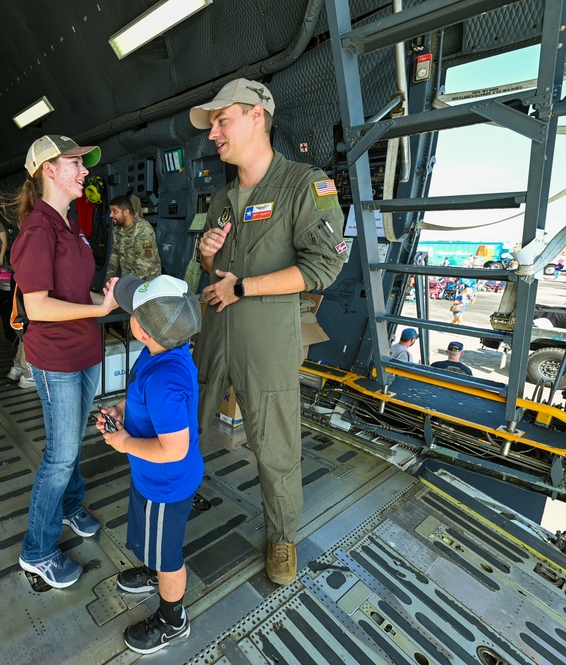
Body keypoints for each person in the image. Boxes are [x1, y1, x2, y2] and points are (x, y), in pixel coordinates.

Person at [191, 79, 347, 585]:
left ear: (257, 116)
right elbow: (208, 272)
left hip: (266, 341)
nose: (214, 132)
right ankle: (178, 494)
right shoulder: (221, 198)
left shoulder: (305, 184)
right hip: (214, 334)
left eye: (222, 120)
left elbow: (324, 266)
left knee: (275, 446)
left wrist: (246, 287)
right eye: (212, 125)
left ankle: (282, 537)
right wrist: (206, 254)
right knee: (185, 421)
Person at [9, 134, 119, 588]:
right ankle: (36, 549)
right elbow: (37, 307)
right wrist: (98, 311)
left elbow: (73, 294)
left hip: (85, 351)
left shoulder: (70, 225)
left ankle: (71, 506)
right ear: (48, 171)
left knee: (72, 440)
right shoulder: (37, 230)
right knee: (60, 454)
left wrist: (109, 300)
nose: (85, 171)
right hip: (57, 359)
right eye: (75, 163)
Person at [97, 274, 202, 655]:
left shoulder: (165, 379)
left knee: (169, 557)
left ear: (140, 329)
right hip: (151, 477)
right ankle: (153, 568)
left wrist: (124, 442)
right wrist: (122, 411)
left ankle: (173, 621)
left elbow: (174, 449)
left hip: (166, 483)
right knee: (152, 539)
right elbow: (141, 399)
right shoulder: (161, 351)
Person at [105, 195, 162, 282]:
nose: (110, 215)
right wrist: (109, 279)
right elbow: (115, 255)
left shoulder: (143, 229)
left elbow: (145, 263)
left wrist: (124, 285)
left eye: (114, 212)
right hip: (129, 281)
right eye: (111, 211)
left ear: (126, 212)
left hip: (146, 283)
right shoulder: (117, 229)